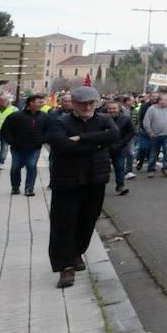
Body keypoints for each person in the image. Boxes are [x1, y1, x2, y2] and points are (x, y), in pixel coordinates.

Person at [43, 86, 117, 289]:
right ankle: (64, 266)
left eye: (91, 103)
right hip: (67, 182)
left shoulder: (103, 120)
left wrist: (82, 139)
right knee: (63, 224)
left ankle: (76, 253)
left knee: (87, 221)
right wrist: (97, 144)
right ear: (74, 104)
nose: (87, 107)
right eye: (83, 103)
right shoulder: (60, 122)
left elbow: (113, 135)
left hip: (95, 181)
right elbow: (62, 146)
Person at [3, 93, 46, 196]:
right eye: (39, 102)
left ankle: (29, 188)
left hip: (35, 148)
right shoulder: (15, 116)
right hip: (17, 148)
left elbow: (50, 130)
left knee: (31, 166)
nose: (42, 104)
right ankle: (15, 187)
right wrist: (11, 141)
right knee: (15, 168)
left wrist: (43, 139)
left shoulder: (44, 117)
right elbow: (6, 130)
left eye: (42, 102)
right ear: (31, 103)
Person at [103, 99, 135, 196]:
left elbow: (131, 132)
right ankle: (99, 187)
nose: (112, 110)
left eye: (114, 108)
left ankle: (120, 186)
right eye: (110, 109)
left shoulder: (126, 118)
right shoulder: (101, 118)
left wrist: (123, 142)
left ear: (119, 109)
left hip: (119, 147)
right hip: (104, 147)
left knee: (120, 167)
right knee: (103, 168)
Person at [141, 92, 167, 177]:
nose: (166, 102)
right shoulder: (152, 109)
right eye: (164, 100)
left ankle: (165, 168)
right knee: (153, 153)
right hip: (155, 135)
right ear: (159, 101)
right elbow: (146, 121)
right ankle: (151, 169)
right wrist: (149, 132)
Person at [0, 92, 14, 167]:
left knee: (4, 149)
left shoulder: (13, 109)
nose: (3, 102)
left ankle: (1, 162)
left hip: (6, 133)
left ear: (8, 101)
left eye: (5, 100)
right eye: (1, 100)